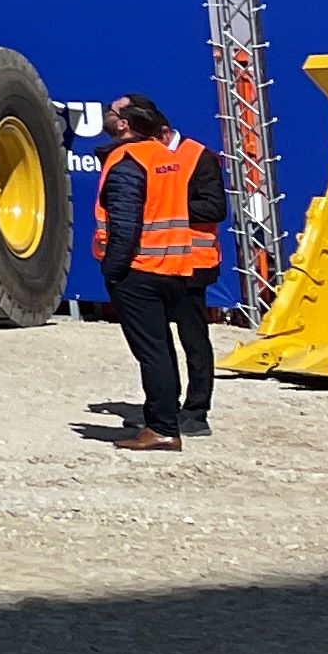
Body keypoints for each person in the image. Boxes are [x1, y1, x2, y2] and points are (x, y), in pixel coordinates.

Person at [95, 92, 226, 451]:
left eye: (113, 112)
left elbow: (213, 208)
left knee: (187, 341)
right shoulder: (159, 159)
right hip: (169, 260)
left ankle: (192, 411)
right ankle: (166, 411)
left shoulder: (192, 157)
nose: (107, 115)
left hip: (187, 263)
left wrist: (113, 269)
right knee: (160, 346)